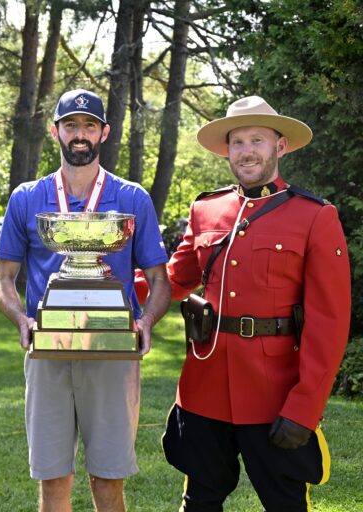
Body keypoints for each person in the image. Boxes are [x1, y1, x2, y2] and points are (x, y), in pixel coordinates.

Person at [150, 96, 351, 511]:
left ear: (279, 146)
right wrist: (103, 292)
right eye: (237, 141)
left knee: (285, 503)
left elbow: (328, 323)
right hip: (204, 387)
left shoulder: (315, 216)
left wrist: (306, 405)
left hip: (274, 393)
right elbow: (174, 277)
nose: (246, 150)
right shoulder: (206, 210)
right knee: (200, 499)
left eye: (257, 139)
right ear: (228, 150)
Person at [0, 89, 171, 512]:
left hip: (111, 352)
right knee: (53, 479)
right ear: (56, 131)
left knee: (108, 479)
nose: (79, 134)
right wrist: (21, 319)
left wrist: (144, 323)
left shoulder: (131, 199)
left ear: (104, 133)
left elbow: (159, 279)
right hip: (48, 350)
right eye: (71, 125)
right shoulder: (27, 197)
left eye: (89, 125)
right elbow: (3, 278)